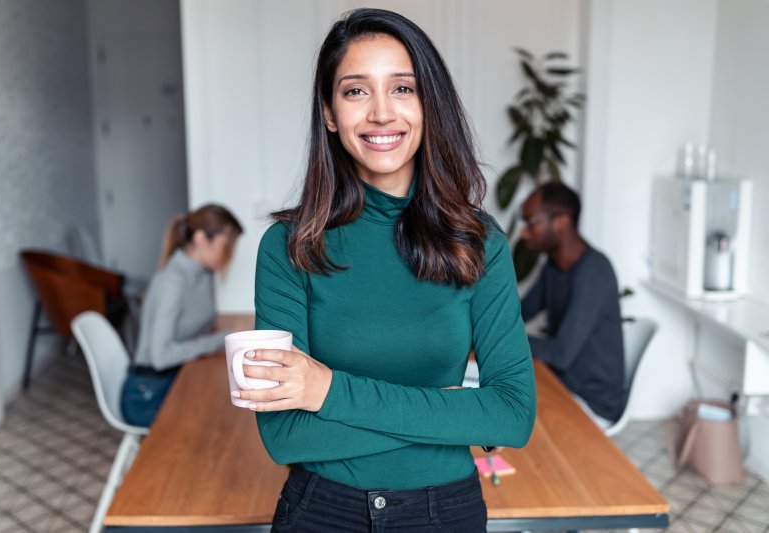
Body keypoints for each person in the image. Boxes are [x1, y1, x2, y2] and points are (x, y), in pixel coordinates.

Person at [231, 9, 536, 532]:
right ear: (329, 112)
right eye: (355, 91)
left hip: (446, 513)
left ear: (428, 105)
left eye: (402, 88)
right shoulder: (288, 247)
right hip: (320, 512)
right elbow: (285, 436)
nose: (380, 112)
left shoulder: (479, 243)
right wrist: (452, 412)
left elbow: (512, 415)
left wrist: (324, 392)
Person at [121, 204, 242, 427]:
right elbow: (160, 357)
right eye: (226, 245)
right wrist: (221, 340)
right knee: (216, 423)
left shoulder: (203, 273)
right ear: (200, 238)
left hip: (174, 376)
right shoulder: (172, 282)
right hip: (147, 392)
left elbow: (203, 325)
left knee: (227, 407)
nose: (229, 255)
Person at [519, 182, 625, 428]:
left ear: (561, 222)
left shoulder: (594, 273)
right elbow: (519, 313)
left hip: (591, 402)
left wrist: (500, 340)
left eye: (530, 222)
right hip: (562, 383)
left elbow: (561, 354)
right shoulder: (554, 267)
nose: (523, 233)